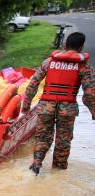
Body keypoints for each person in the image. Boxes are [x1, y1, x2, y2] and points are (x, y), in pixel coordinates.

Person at [22, 31, 95, 175]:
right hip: (67, 110)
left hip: (45, 107)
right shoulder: (84, 68)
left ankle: (36, 164)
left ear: (65, 45)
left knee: (43, 137)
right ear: (81, 47)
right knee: (63, 141)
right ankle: (57, 173)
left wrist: (26, 105)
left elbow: (33, 84)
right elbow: (90, 94)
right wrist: (93, 111)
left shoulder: (48, 62)